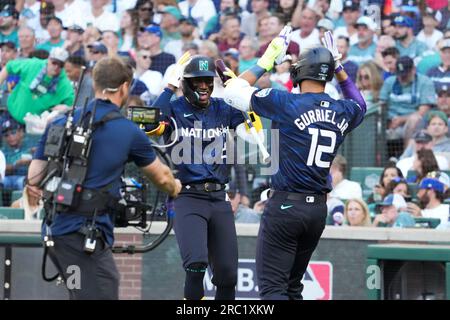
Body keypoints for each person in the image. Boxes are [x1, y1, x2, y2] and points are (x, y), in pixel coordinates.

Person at [223, 31, 367, 299]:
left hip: (286, 207)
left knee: (273, 289)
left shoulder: (286, 102)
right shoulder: (342, 110)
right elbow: (360, 104)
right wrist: (340, 69)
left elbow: (232, 92)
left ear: (299, 72)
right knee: (292, 287)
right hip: (316, 212)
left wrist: (266, 60)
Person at [25, 56, 181, 300]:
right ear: (124, 87)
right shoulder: (128, 130)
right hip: (84, 237)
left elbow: (33, 177)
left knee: (80, 292)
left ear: (95, 83)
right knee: (103, 289)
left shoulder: (60, 122)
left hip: (56, 234)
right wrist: (176, 188)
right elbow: (162, 178)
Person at [152, 26, 288, 299]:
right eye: (196, 81)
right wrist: (168, 88)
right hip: (187, 196)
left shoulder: (222, 107)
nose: (203, 86)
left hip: (219, 198)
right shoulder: (175, 108)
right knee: (195, 265)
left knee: (227, 274)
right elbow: (151, 123)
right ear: (185, 83)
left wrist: (251, 75)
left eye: (207, 80)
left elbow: (250, 123)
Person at [0, 47, 74, 124]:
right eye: (54, 63)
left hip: (36, 126)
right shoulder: (34, 64)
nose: (56, 67)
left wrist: (66, 108)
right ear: (48, 59)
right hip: (10, 115)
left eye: (61, 65)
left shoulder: (65, 84)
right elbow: (9, 67)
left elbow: (73, 106)